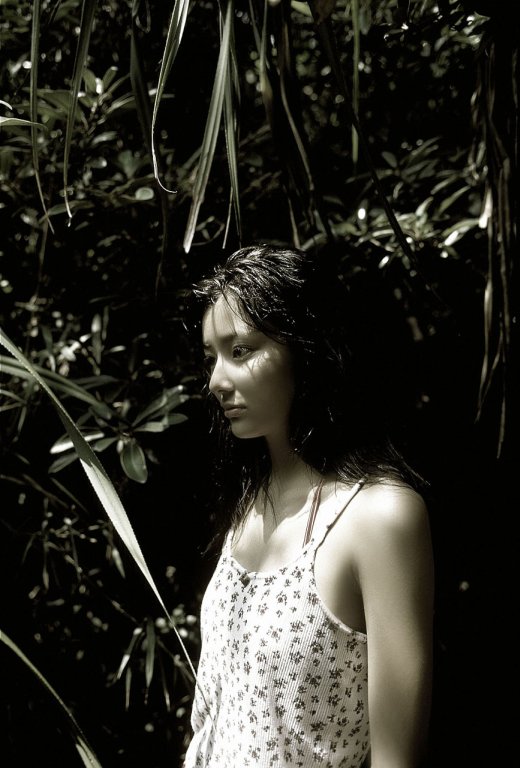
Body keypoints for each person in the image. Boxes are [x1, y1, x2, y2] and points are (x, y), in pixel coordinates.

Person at [183, 244, 434, 768]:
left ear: (307, 349)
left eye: (241, 350)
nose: (216, 381)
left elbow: (396, 757)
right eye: (212, 357)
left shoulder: (378, 517)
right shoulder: (251, 503)